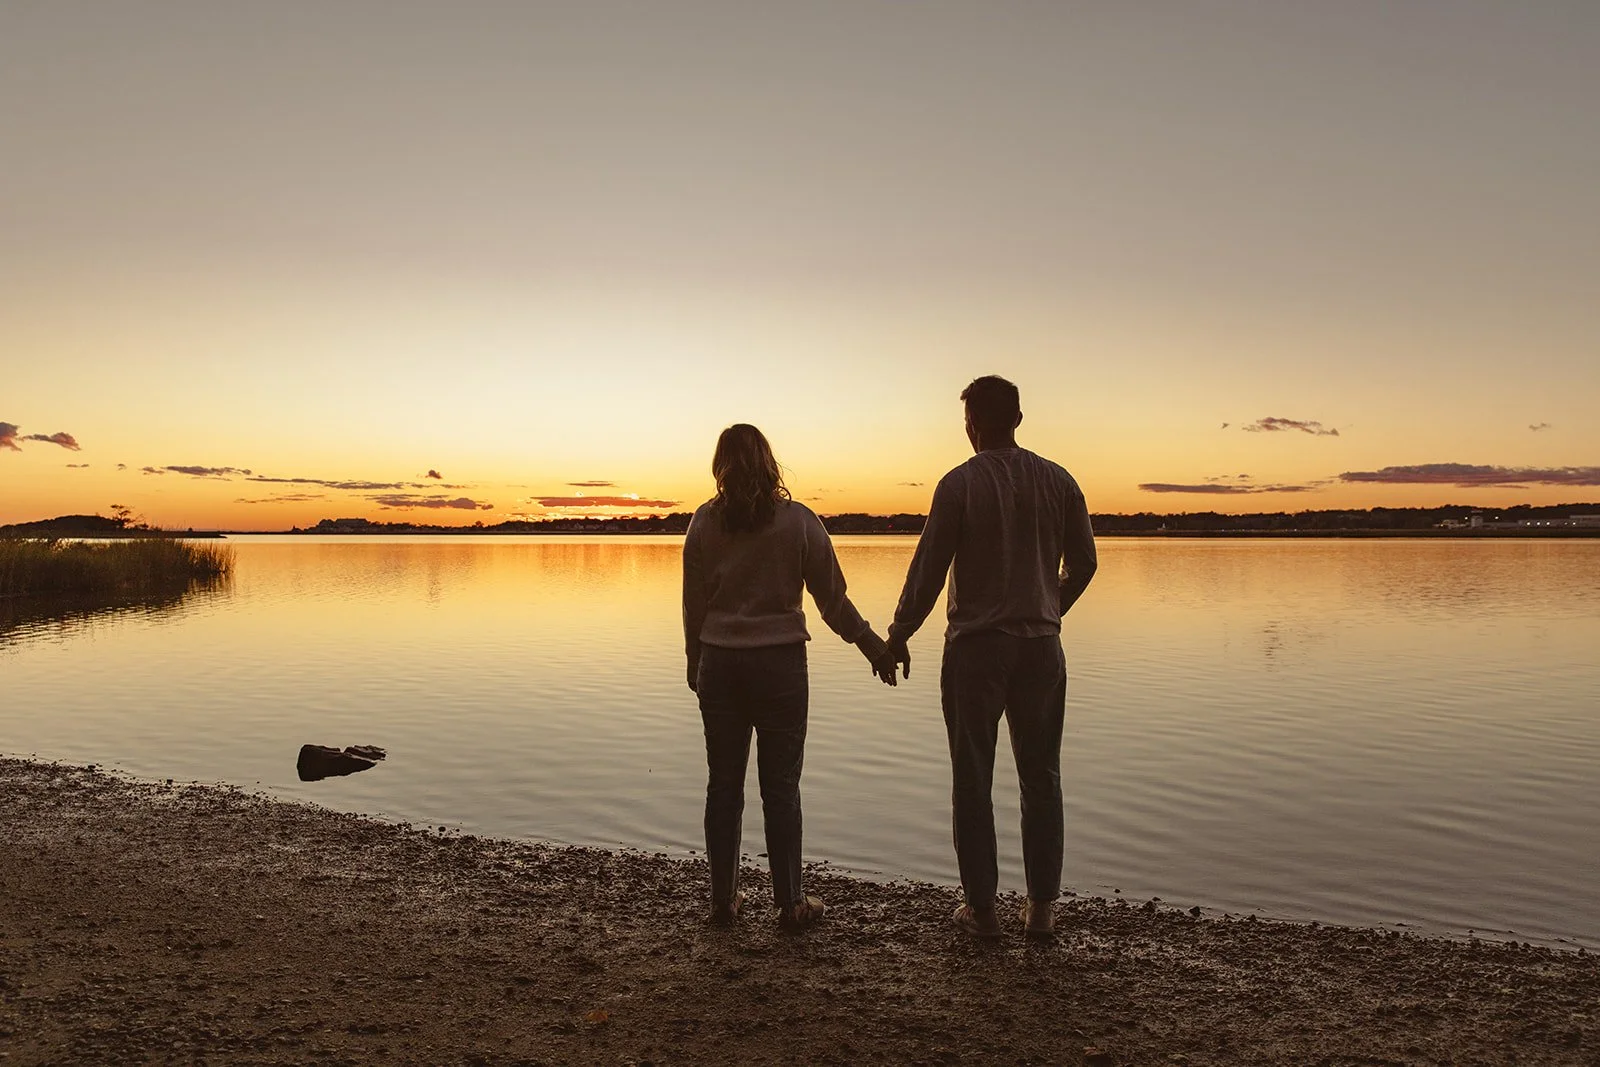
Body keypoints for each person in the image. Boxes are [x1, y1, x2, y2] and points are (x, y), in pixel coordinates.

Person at [886, 376, 1097, 939]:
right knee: (1042, 777)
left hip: (977, 649)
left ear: (971, 424)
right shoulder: (1059, 481)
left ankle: (982, 911)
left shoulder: (960, 484)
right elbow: (1085, 562)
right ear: (1019, 419)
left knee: (973, 778)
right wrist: (1050, 607)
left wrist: (900, 631)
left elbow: (929, 569)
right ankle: (1042, 913)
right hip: (1040, 648)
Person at [683, 423, 897, 930]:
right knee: (780, 787)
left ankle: (722, 900)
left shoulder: (703, 523)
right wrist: (873, 645)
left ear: (720, 468)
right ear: (770, 463)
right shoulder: (798, 522)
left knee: (723, 786)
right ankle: (790, 903)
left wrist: (695, 662)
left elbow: (695, 605)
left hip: (720, 663)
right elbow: (832, 602)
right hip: (780, 666)